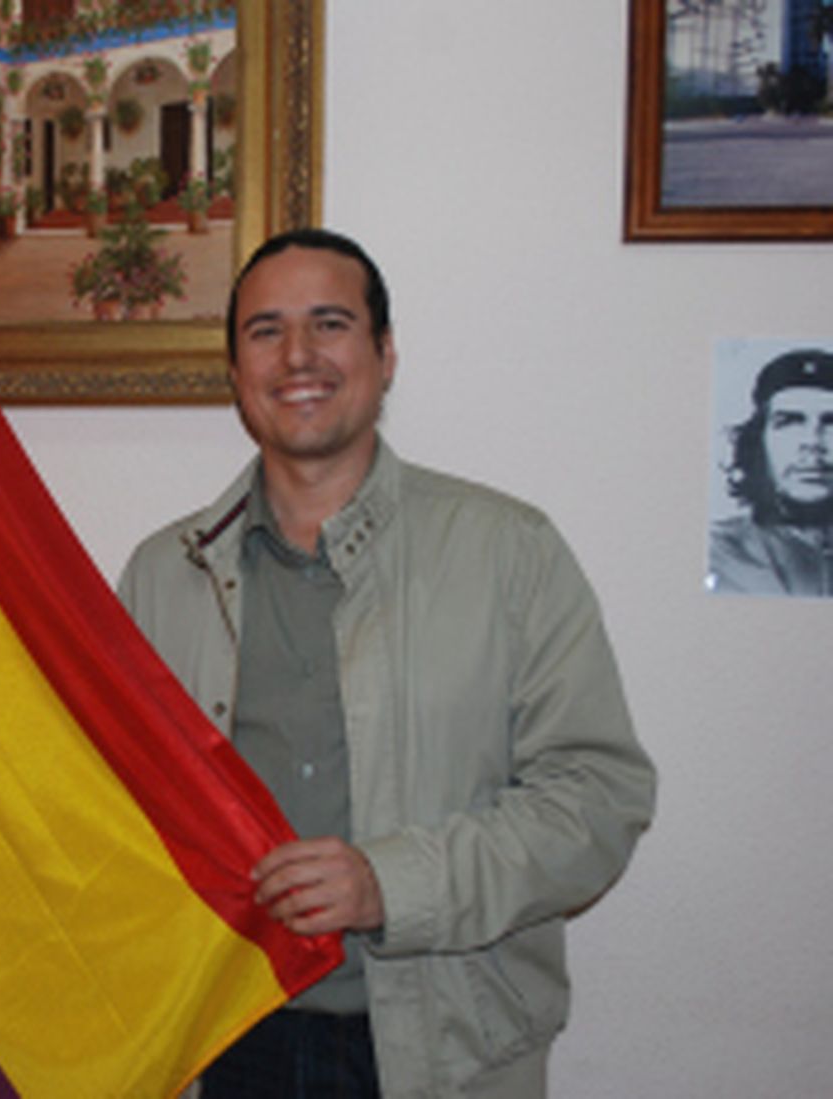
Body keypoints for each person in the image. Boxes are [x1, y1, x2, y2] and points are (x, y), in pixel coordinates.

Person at [118, 229, 655, 1098]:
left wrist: (388, 883)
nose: (298, 355)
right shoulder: (159, 573)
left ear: (384, 353)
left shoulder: (508, 552)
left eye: (329, 323)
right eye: (265, 330)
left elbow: (598, 801)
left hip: (441, 1047)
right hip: (220, 1041)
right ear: (234, 369)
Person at [708, 348, 833, 596]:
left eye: (831, 423)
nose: (813, 443)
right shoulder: (719, 555)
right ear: (758, 443)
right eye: (790, 422)